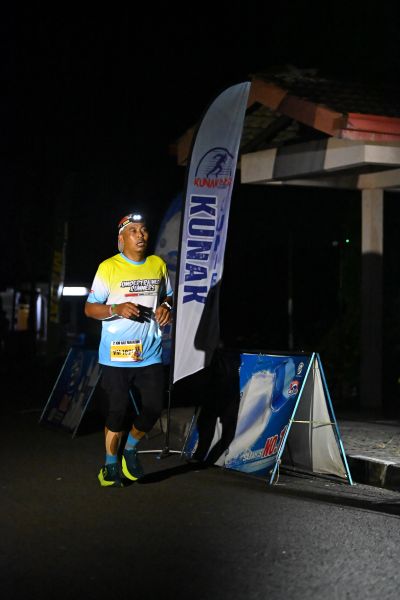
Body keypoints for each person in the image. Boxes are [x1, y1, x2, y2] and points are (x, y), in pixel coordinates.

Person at [85, 212, 173, 488]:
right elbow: (90, 308)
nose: (140, 235)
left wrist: (166, 307)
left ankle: (131, 449)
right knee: (117, 412)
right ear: (121, 239)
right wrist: (116, 308)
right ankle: (110, 464)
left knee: (154, 408)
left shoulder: (157, 264)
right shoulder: (108, 267)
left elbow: (168, 296)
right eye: (133, 230)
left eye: (143, 229)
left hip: (149, 353)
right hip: (116, 356)